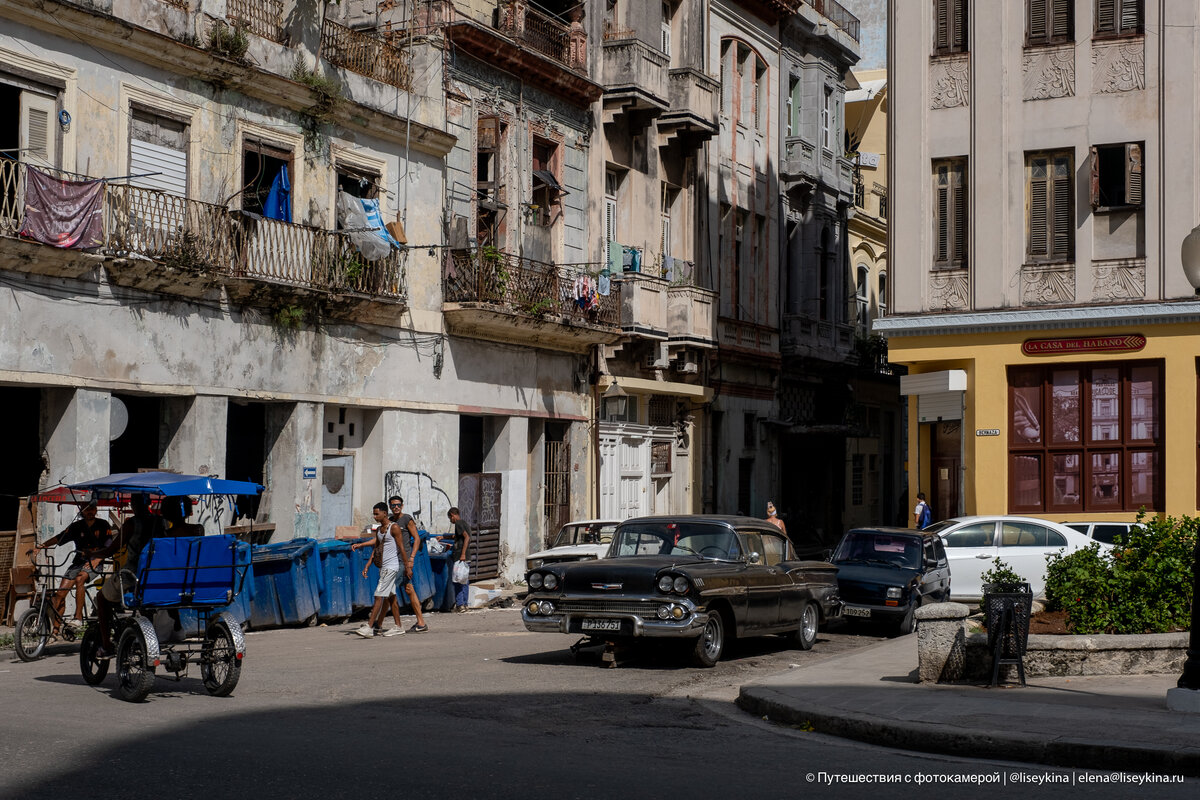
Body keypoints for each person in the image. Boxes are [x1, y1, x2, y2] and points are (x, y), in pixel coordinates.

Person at [95, 493, 164, 658]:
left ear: (133, 505)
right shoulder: (160, 522)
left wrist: (93, 554)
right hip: (157, 575)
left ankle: (106, 644)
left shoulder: (131, 524)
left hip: (133, 574)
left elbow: (112, 549)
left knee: (101, 598)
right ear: (148, 504)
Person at [35, 500, 112, 637]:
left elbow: (108, 548)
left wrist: (97, 560)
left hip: (95, 563)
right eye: (86, 509)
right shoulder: (77, 526)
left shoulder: (103, 525)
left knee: (80, 578)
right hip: (78, 562)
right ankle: (55, 631)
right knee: (60, 592)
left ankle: (78, 618)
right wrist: (40, 546)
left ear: (96, 510)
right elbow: (59, 538)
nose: (89, 511)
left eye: (92, 509)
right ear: (81, 511)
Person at [349, 503, 408, 638]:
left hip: (391, 567)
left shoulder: (394, 527)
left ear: (385, 513)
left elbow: (402, 548)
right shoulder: (380, 529)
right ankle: (398, 626)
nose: (374, 516)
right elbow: (377, 548)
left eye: (377, 514)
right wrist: (367, 564)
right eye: (374, 514)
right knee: (392, 598)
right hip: (383, 567)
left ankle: (369, 627)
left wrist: (408, 567)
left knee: (378, 595)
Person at [389, 496, 429, 633]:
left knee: (387, 588)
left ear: (402, 505)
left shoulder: (407, 519)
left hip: (404, 561)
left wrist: (411, 558)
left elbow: (417, 538)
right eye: (393, 505)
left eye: (398, 505)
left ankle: (382, 623)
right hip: (394, 561)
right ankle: (421, 622)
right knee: (409, 589)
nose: (396, 507)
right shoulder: (390, 520)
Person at [447, 506, 471, 612]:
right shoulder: (464, 523)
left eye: (450, 518)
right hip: (466, 557)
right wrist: (443, 537)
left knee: (457, 580)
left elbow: (466, 537)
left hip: (461, 557)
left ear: (452, 515)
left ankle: (460, 605)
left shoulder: (458, 523)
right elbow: (458, 537)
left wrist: (462, 554)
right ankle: (465, 604)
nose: (450, 521)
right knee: (464, 580)